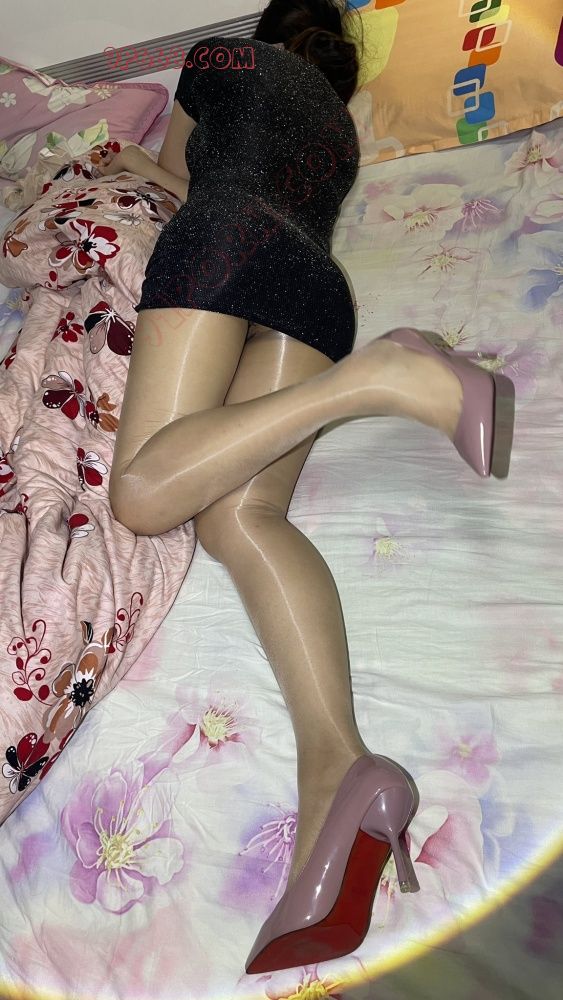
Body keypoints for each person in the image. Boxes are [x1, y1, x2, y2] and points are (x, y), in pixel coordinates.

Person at [99, 0, 515, 974]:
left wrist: (128, 168)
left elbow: (185, 179)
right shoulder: (337, 129)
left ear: (264, 31)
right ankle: (338, 762)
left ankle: (377, 379)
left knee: (145, 494)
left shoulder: (218, 60)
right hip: (314, 286)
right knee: (243, 516)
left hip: (222, 238)